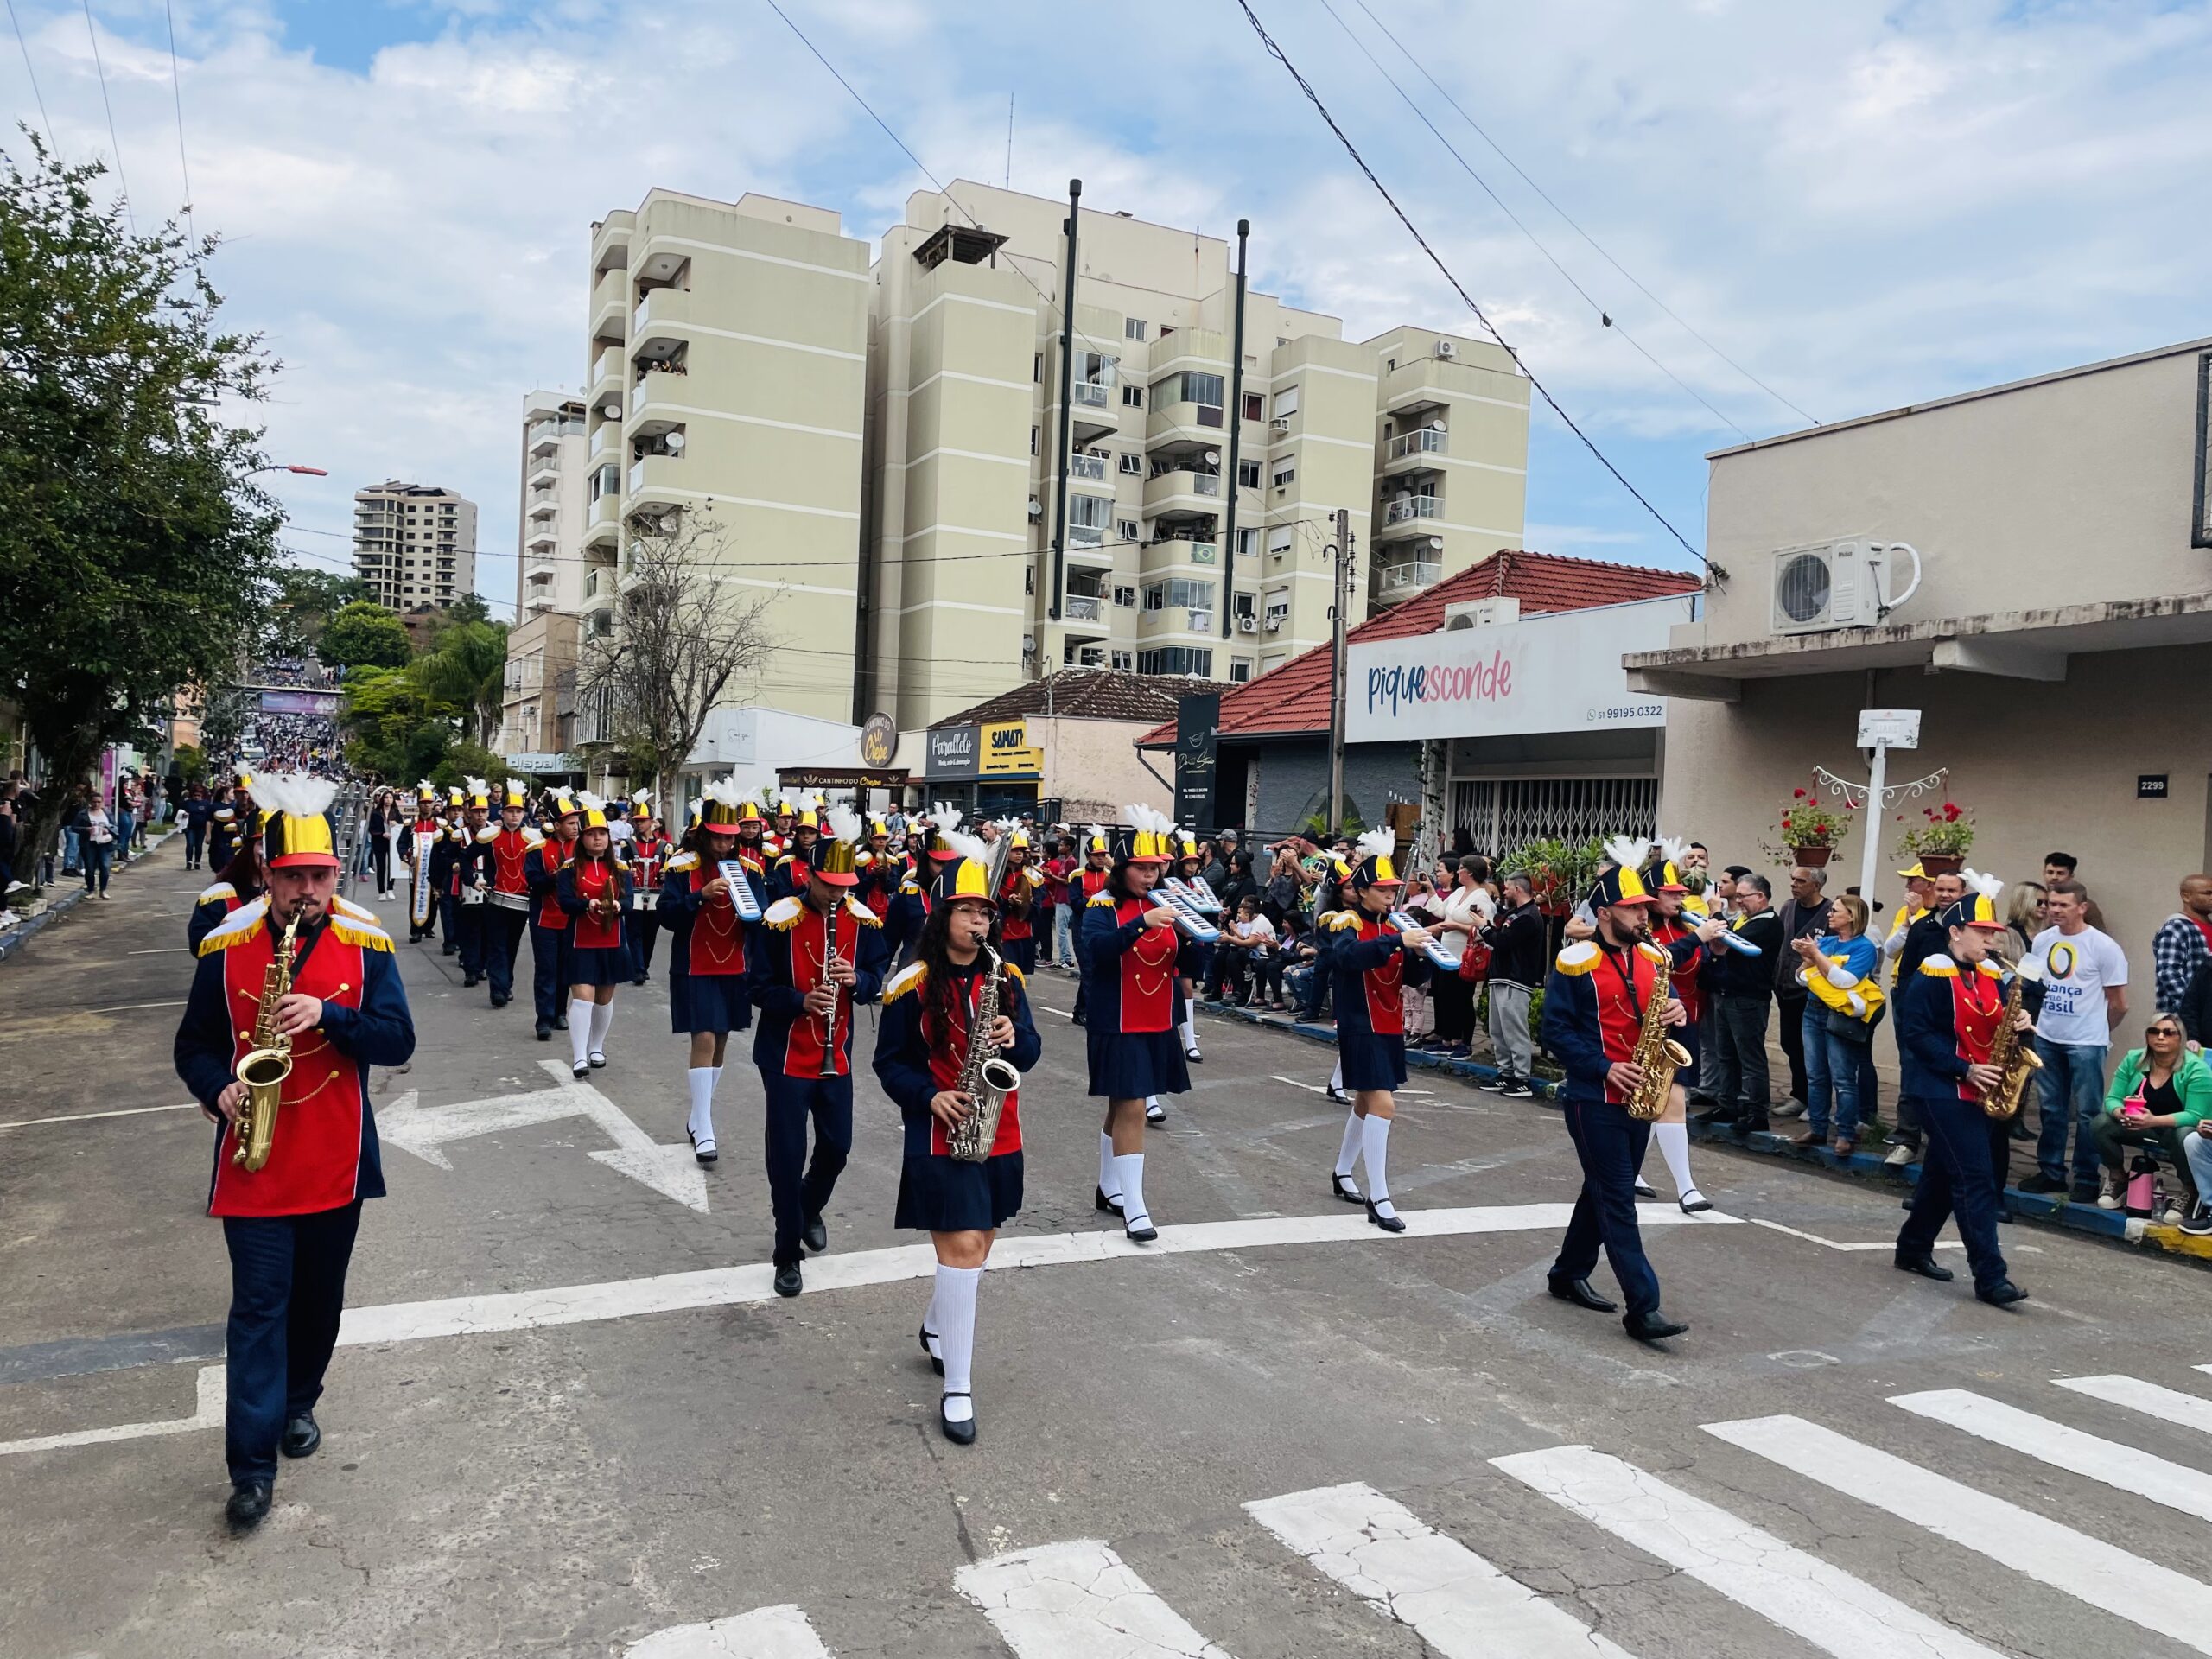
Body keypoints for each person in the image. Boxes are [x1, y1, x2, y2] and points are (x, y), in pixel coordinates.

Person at [171, 772, 416, 1533]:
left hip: (337, 1158)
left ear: (334, 875)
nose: (306, 890)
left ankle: (300, 1401)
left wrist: (333, 1015)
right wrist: (219, 1092)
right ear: (267, 877)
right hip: (255, 1161)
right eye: (292, 877)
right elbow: (195, 1047)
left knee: (318, 1305)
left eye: (319, 876)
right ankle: (250, 1470)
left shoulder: (367, 941)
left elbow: (397, 1040)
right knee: (257, 1310)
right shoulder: (227, 945)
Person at [874, 846, 1042, 1445]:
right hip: (939, 1128)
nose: (980, 922)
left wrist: (1014, 1035)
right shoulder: (910, 984)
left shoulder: (1007, 976)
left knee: (980, 1244)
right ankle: (959, 1390)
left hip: (1000, 1125)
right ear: (943, 916)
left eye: (986, 914)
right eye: (968, 911)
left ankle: (935, 1326)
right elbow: (888, 1063)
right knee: (966, 1244)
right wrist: (928, 1097)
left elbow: (1030, 1053)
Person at [1538, 836, 1691, 1344]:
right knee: (1619, 1199)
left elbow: (1659, 1020)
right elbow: (1555, 1032)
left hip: (1641, 1093)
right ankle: (1643, 1308)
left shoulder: (1653, 958)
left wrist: (1677, 1015)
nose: (1644, 914)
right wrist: (1603, 1067)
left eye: (1645, 905)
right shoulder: (1575, 961)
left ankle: (1566, 1273)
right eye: (1633, 907)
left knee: (1602, 1189)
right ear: (1605, 912)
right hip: (1593, 1098)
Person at [750, 805, 887, 1297]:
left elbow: (877, 978)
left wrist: (861, 980)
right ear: (810, 875)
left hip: (837, 1056)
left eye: (846, 885)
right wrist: (800, 1000)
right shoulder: (778, 920)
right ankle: (787, 1253)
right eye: (831, 885)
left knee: (838, 1148)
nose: (839, 894)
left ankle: (808, 1208)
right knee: (785, 1158)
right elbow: (756, 987)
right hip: (785, 1057)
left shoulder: (864, 923)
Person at [1893, 875, 2031, 1306]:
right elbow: (1915, 1034)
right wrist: (1964, 1068)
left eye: (1994, 934)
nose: (1991, 942)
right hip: (1940, 1088)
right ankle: (1991, 1277)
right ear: (1956, 932)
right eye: (1982, 934)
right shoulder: (1933, 974)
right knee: (1975, 1177)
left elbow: (1999, 1031)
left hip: (1979, 1087)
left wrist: (2025, 1027)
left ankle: (1912, 1247)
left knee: (1941, 1172)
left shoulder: (1992, 976)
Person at [1081, 804, 1205, 1241]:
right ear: (1123, 867)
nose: (1150, 876)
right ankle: (1135, 1207)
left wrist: (1196, 937)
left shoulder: (1168, 904)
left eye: (1156, 868)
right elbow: (1095, 953)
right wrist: (1141, 924)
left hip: (1156, 1019)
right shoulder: (1102, 906)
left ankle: (1108, 1187)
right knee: (1133, 1105)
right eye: (1142, 868)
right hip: (1117, 1020)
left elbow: (1184, 965)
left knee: (1121, 1106)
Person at [1321, 829, 1436, 1232]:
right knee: (1383, 1106)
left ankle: (1341, 1172)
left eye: (1394, 889)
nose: (1391, 896)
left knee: (1366, 1104)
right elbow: (1348, 958)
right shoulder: (1346, 922)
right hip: (1359, 1024)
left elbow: (1412, 977)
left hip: (1389, 1023)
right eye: (1384, 889)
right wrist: (1396, 942)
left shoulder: (1394, 926)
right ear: (1363, 890)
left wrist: (1420, 953)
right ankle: (1379, 1196)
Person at [659, 779, 763, 1165]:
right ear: (703, 834)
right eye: (717, 838)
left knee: (720, 1039)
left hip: (734, 965)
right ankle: (704, 1124)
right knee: (702, 1036)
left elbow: (761, 920)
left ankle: (697, 1114)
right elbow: (666, 916)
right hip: (693, 964)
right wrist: (697, 897)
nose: (724, 845)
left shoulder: (748, 869)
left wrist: (749, 909)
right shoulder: (681, 867)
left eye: (730, 839)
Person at [2022, 879, 2129, 1202]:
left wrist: (2100, 1032)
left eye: (2063, 905)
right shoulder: (2042, 941)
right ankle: (2051, 1171)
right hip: (2048, 1036)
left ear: (2081, 907)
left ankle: (2086, 1176)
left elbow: (2120, 1003)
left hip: (2086, 1041)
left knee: (2088, 1111)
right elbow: (2030, 983)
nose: (2054, 910)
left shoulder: (2103, 946)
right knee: (2051, 1108)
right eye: (2051, 904)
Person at [1642, 839, 1723, 1211]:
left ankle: (1631, 1172)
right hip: (1649, 1021)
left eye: (1680, 894)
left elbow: (1701, 960)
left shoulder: (1682, 924)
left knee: (1660, 1100)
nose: (1679, 899)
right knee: (1664, 1098)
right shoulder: (1644, 929)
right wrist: (1697, 937)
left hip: (1685, 1016)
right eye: (1670, 893)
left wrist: (1715, 938)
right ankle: (1687, 1188)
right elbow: (1657, 960)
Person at [1791, 894, 1884, 1154]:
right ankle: (1818, 1128)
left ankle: (1845, 1132)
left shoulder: (1864, 947)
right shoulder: (1827, 942)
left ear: (1852, 916)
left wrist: (1817, 958)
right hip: (1813, 1010)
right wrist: (1810, 959)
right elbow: (1800, 978)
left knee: (1843, 1077)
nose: (1829, 915)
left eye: (1835, 911)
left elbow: (1845, 981)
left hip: (1840, 1015)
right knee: (1816, 1074)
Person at [2092, 1014, 2208, 1219]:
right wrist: (2121, 1113)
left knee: (2185, 1135)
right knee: (2101, 1123)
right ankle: (2118, 1178)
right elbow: (2112, 1099)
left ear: (2180, 1038)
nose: (2160, 1037)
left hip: (2173, 1131)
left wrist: (2153, 1120)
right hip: (2139, 1127)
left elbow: (2195, 1115)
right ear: (2147, 1037)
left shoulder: (2196, 1069)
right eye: (2154, 1031)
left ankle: (2190, 1190)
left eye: (2168, 1032)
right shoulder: (2133, 1059)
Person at [1698, 874, 1784, 1134]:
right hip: (1729, 994)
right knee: (1726, 1055)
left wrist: (1716, 913)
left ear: (1761, 896)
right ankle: (1728, 1104)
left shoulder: (1768, 923)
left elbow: (1731, 941)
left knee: (1750, 1058)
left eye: (1742, 897)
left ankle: (1758, 1112)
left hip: (1748, 999)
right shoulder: (1750, 921)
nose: (1739, 902)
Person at [555, 792, 632, 1079]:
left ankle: (596, 1046)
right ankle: (578, 1056)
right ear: (582, 838)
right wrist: (587, 904)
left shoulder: (621, 869)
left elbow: (630, 902)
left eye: (602, 833)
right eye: (591, 834)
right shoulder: (569, 869)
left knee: (604, 998)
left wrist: (619, 906)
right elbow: (564, 902)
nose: (597, 839)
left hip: (612, 941)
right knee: (583, 998)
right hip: (580, 941)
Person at [1768, 866, 1830, 1117]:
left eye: (1800, 881)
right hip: (1784, 987)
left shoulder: (1829, 912)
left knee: (1813, 1049)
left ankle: (1816, 1101)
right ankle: (1799, 1096)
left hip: (1811, 991)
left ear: (1816, 885)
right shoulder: (1788, 907)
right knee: (1791, 1043)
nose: (1794, 884)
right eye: (1793, 879)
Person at [1478, 873, 1545, 1098]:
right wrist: (1488, 928)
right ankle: (1505, 1073)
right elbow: (1500, 936)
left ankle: (1522, 1078)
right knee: (1498, 1030)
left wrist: (1484, 929)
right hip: (1502, 976)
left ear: (1517, 889)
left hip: (1516, 980)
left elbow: (1504, 941)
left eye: (1507, 888)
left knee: (1514, 1030)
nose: (1503, 892)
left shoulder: (1529, 917)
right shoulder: (1516, 914)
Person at [524, 793, 582, 1041]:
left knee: (567, 969)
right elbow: (533, 882)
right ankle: (544, 1019)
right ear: (556, 825)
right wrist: (554, 878)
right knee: (547, 969)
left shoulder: (582, 848)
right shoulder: (538, 849)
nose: (575, 827)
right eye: (570, 823)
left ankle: (560, 1012)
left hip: (573, 920)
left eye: (577, 822)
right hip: (545, 919)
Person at [478, 780, 534, 1008]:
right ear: (502, 812)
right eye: (510, 811)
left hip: (521, 901)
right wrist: (475, 879)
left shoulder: (533, 838)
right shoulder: (490, 836)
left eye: (518, 811)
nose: (514, 815)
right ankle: (497, 990)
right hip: (497, 899)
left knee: (511, 945)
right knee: (497, 945)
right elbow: (466, 856)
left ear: (523, 814)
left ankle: (506, 983)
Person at [448, 780, 493, 988]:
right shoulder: (460, 834)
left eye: (484, 811)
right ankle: (470, 969)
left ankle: (482, 964)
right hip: (465, 886)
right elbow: (444, 858)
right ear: (469, 813)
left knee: (487, 929)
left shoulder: (495, 833)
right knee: (468, 930)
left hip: (490, 886)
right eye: (476, 812)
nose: (480, 816)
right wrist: (455, 863)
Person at [1067, 824, 1113, 1024]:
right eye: (1097, 855)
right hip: (1082, 927)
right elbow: (1075, 903)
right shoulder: (1077, 876)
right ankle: (1092, 1013)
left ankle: (1080, 1011)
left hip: (1104, 928)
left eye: (1103, 854)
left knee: (1095, 970)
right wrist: (1096, 901)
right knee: (1088, 969)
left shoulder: (1110, 876)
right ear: (1088, 856)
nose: (1101, 858)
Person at [190, 840, 269, 951]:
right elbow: (198, 945)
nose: (269, 850)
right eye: (262, 843)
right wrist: (233, 926)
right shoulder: (220, 895)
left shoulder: (288, 893)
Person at [626, 797, 671, 986]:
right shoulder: (627, 845)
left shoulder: (665, 847)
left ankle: (643, 965)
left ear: (652, 821)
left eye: (642, 820)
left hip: (655, 895)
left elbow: (670, 870)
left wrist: (665, 875)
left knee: (650, 933)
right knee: (634, 932)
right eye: (636, 820)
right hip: (635, 893)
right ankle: (638, 969)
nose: (639, 824)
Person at [2152, 875, 2212, 1016]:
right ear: (2186, 896)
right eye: (2207, 893)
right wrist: (2194, 1008)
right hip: (2182, 1018)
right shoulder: (2176, 928)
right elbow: (2169, 973)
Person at [994, 828, 1046, 975]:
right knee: (1005, 974)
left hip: (1025, 933)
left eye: (1022, 851)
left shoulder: (1032, 873)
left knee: (1020, 976)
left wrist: (1026, 904)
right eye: (1015, 850)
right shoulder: (994, 874)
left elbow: (1038, 902)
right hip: (1003, 934)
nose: (1019, 854)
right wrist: (1007, 904)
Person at [397, 783, 442, 944]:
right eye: (423, 802)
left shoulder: (440, 824)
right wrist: (405, 855)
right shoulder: (411, 824)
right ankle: (415, 929)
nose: (426, 805)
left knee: (434, 898)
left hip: (435, 868)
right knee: (416, 897)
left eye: (429, 802)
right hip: (417, 869)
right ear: (418, 804)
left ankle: (428, 926)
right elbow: (401, 843)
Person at [70, 784, 117, 899]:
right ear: (90, 802)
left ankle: (103, 890)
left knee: (105, 867)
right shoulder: (83, 814)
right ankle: (91, 890)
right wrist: (86, 829)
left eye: (99, 802)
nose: (96, 804)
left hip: (104, 844)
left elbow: (115, 827)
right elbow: (74, 827)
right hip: (89, 843)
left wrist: (108, 830)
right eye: (94, 802)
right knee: (90, 868)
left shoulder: (107, 813)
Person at [182, 782, 214, 873]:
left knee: (198, 845)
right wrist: (184, 815)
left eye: (199, 795)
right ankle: (189, 861)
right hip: (190, 827)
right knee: (190, 844)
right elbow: (181, 812)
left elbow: (210, 816)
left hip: (201, 828)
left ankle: (197, 862)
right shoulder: (187, 803)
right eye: (195, 795)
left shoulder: (206, 804)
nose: (197, 797)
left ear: (202, 795)